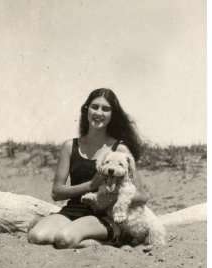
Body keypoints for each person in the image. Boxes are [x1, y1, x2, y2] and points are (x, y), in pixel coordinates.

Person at [28, 88, 148, 248]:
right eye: (95, 107)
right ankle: (77, 234)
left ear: (113, 115)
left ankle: (112, 238)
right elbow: (56, 193)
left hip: (104, 214)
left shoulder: (120, 149)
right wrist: (91, 186)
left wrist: (111, 198)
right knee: (37, 236)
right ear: (86, 109)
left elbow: (142, 196)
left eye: (106, 109)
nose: (99, 112)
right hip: (73, 210)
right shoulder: (70, 146)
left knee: (64, 239)